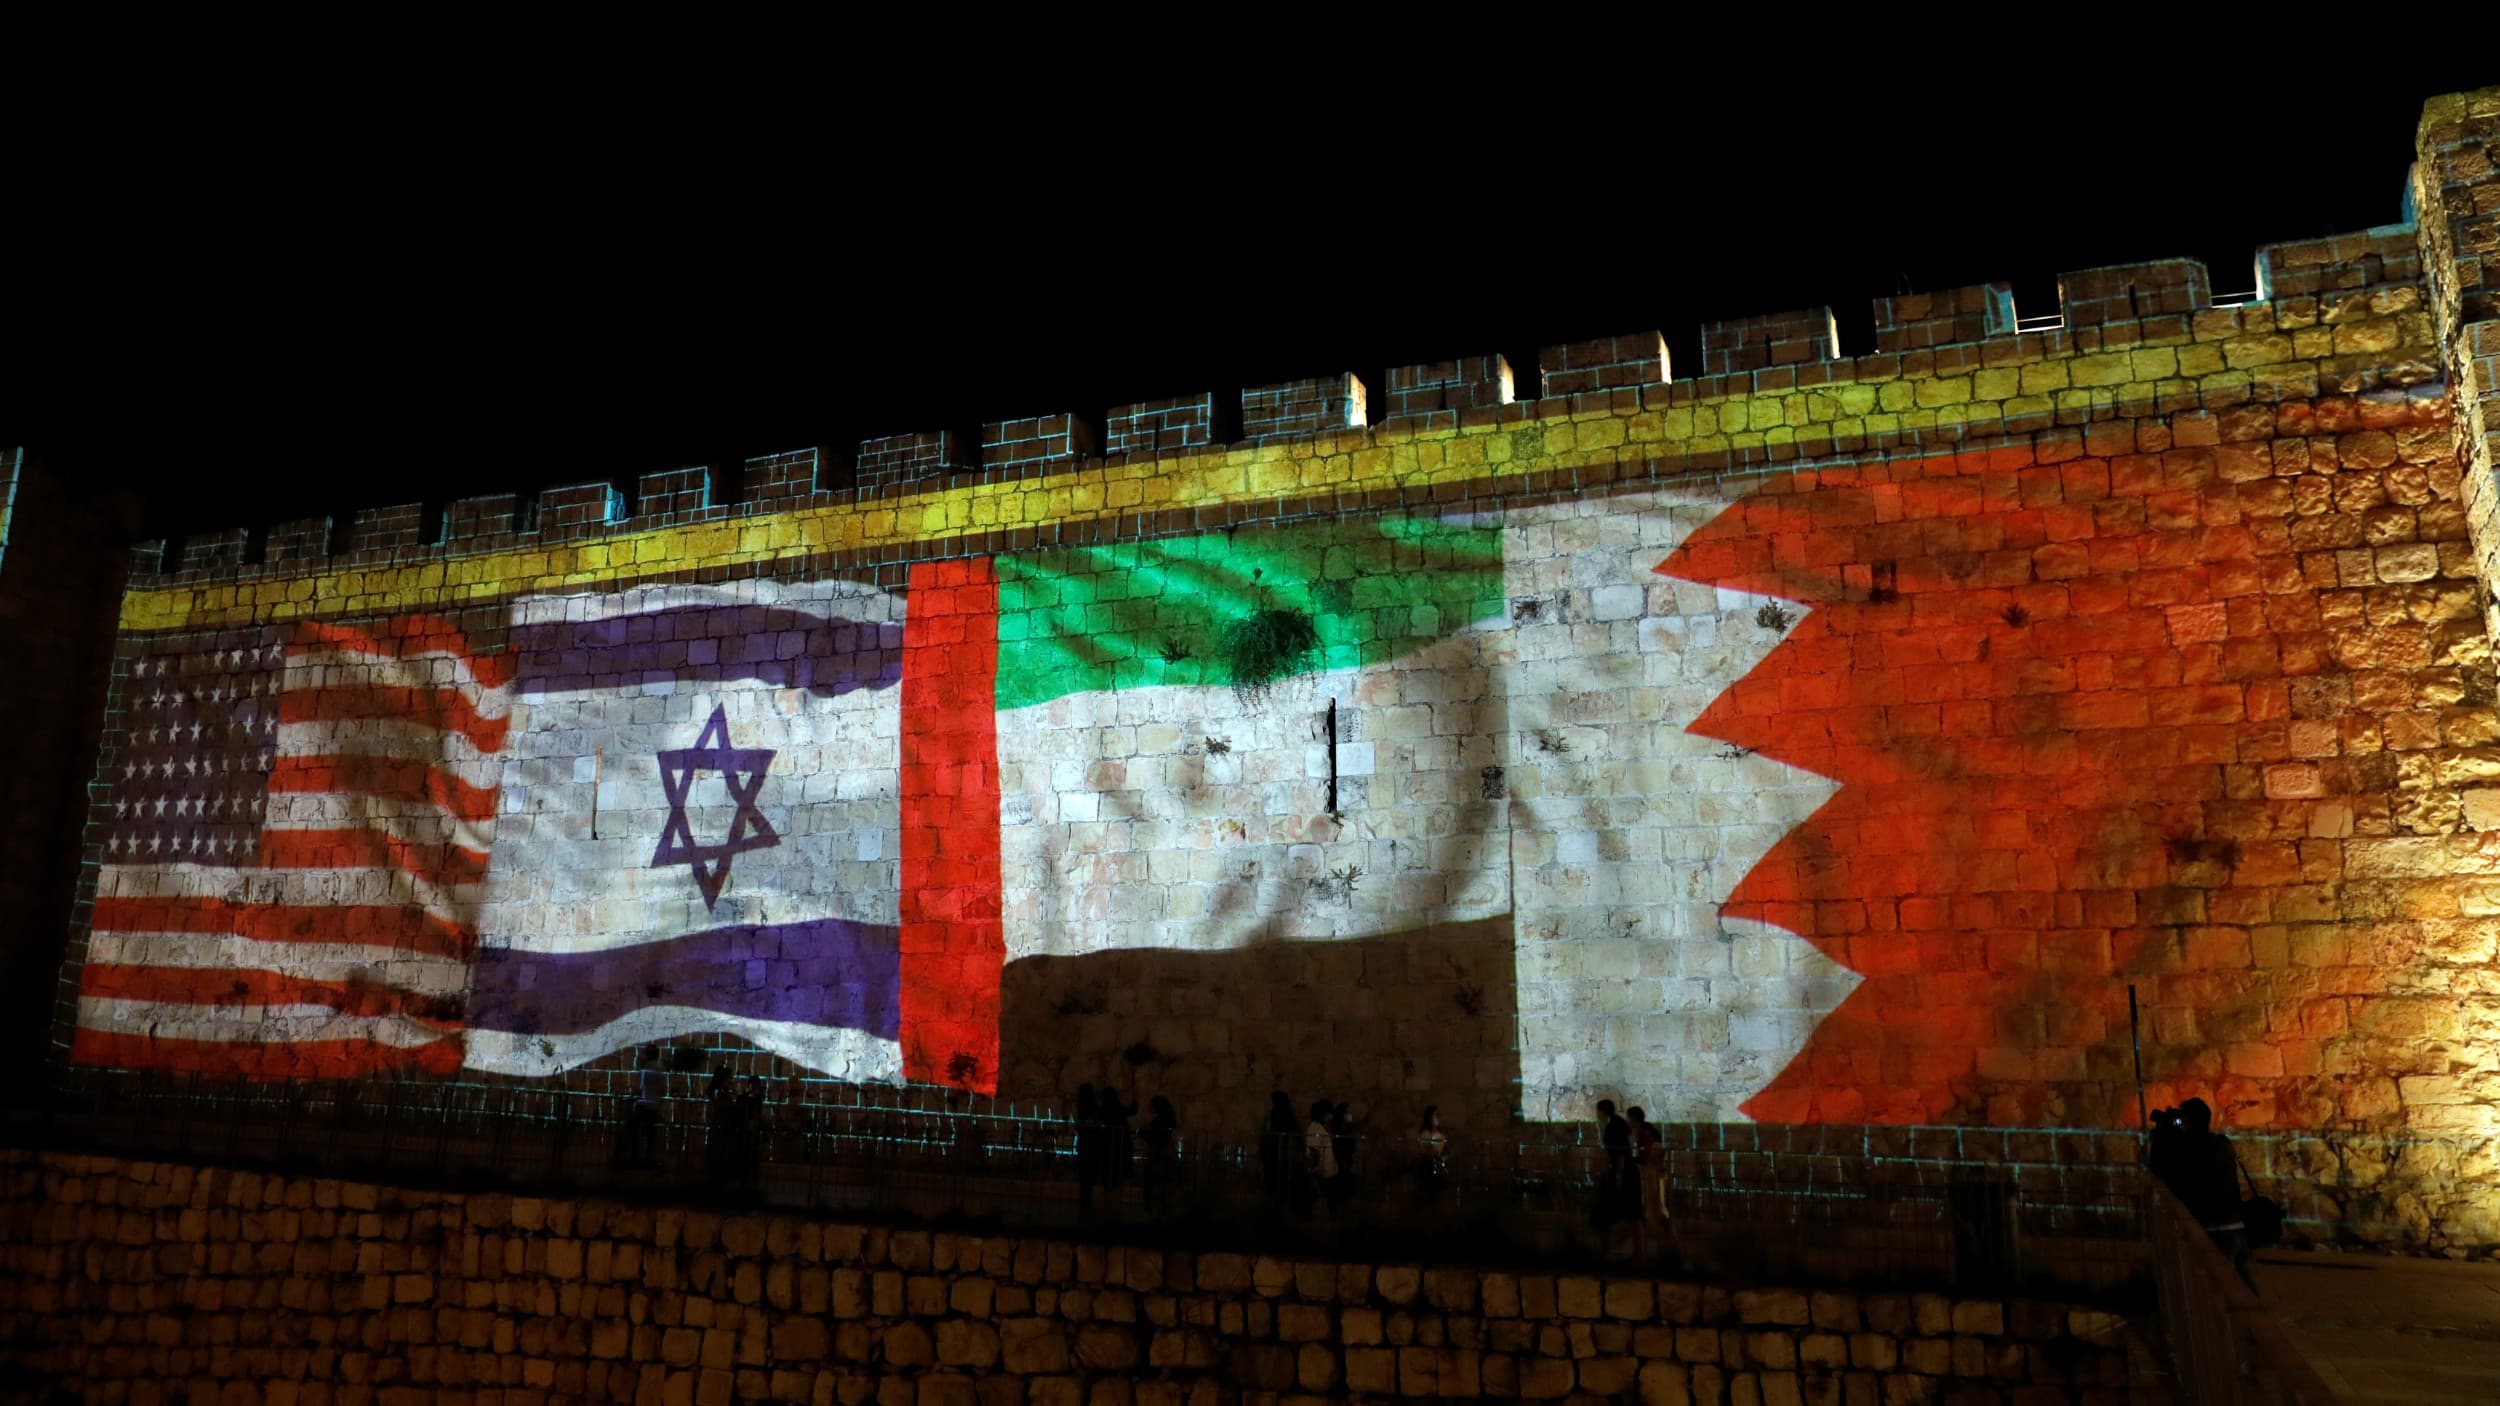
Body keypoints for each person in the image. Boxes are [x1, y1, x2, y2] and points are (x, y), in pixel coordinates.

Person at [2163, 1098, 2253, 1283]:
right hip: (2235, 1222)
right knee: (2243, 1284)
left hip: (2211, 1226)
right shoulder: (2221, 1143)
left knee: (2216, 1284)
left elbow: (2167, 1174)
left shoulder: (2188, 1149)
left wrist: (2166, 1139)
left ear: (2189, 1121)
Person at [1627, 1106, 1665, 1259]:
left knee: (1647, 1208)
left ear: (1634, 1119)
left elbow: (1644, 1155)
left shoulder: (1643, 1133)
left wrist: (1633, 1160)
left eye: (1629, 1118)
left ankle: (1643, 1252)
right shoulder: (1650, 1130)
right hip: (1653, 1172)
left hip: (1647, 1174)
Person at [1259, 1091, 1299, 1213]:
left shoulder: (1279, 1115)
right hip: (1276, 1155)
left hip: (1278, 1155)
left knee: (1276, 1183)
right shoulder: (1283, 1114)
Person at [623, 1047, 663, 1168]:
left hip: (643, 1103)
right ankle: (648, 1158)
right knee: (650, 1133)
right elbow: (662, 1088)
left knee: (633, 1128)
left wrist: (633, 1096)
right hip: (654, 1104)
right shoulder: (660, 1068)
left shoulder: (645, 1068)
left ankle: (634, 1157)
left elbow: (640, 1087)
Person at [1595, 1099, 1632, 1228]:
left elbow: (1619, 1151)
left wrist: (1618, 1175)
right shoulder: (1617, 1123)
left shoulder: (1613, 1127)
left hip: (1619, 1169)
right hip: (1619, 1168)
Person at [1140, 1096, 1178, 1210]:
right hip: (1165, 1152)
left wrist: (1141, 1132)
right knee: (1164, 1180)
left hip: (1156, 1153)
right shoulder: (1170, 1120)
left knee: (1150, 1179)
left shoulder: (1158, 1121)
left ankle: (1149, 1206)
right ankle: (1164, 1205)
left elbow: (1152, 1137)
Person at [1304, 1099, 1339, 1218]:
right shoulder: (1315, 1127)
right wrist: (1316, 1171)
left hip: (1327, 1171)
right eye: (1329, 1112)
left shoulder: (1321, 1126)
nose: (1331, 1115)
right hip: (1322, 1171)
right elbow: (1314, 1150)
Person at [1073, 1084, 1102, 1212]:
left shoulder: (1081, 1108)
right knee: (1089, 1177)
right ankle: (1086, 1204)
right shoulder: (1093, 1109)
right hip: (1092, 1145)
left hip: (1084, 1145)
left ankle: (1085, 1204)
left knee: (1085, 1177)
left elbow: (1080, 1126)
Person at [1414, 1106, 1449, 1200]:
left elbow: (1444, 1148)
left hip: (1439, 1165)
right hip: (1428, 1166)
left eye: (1439, 1115)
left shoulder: (1440, 1133)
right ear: (1430, 1118)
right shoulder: (1425, 1134)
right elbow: (1428, 1151)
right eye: (1436, 1115)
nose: (1439, 1118)